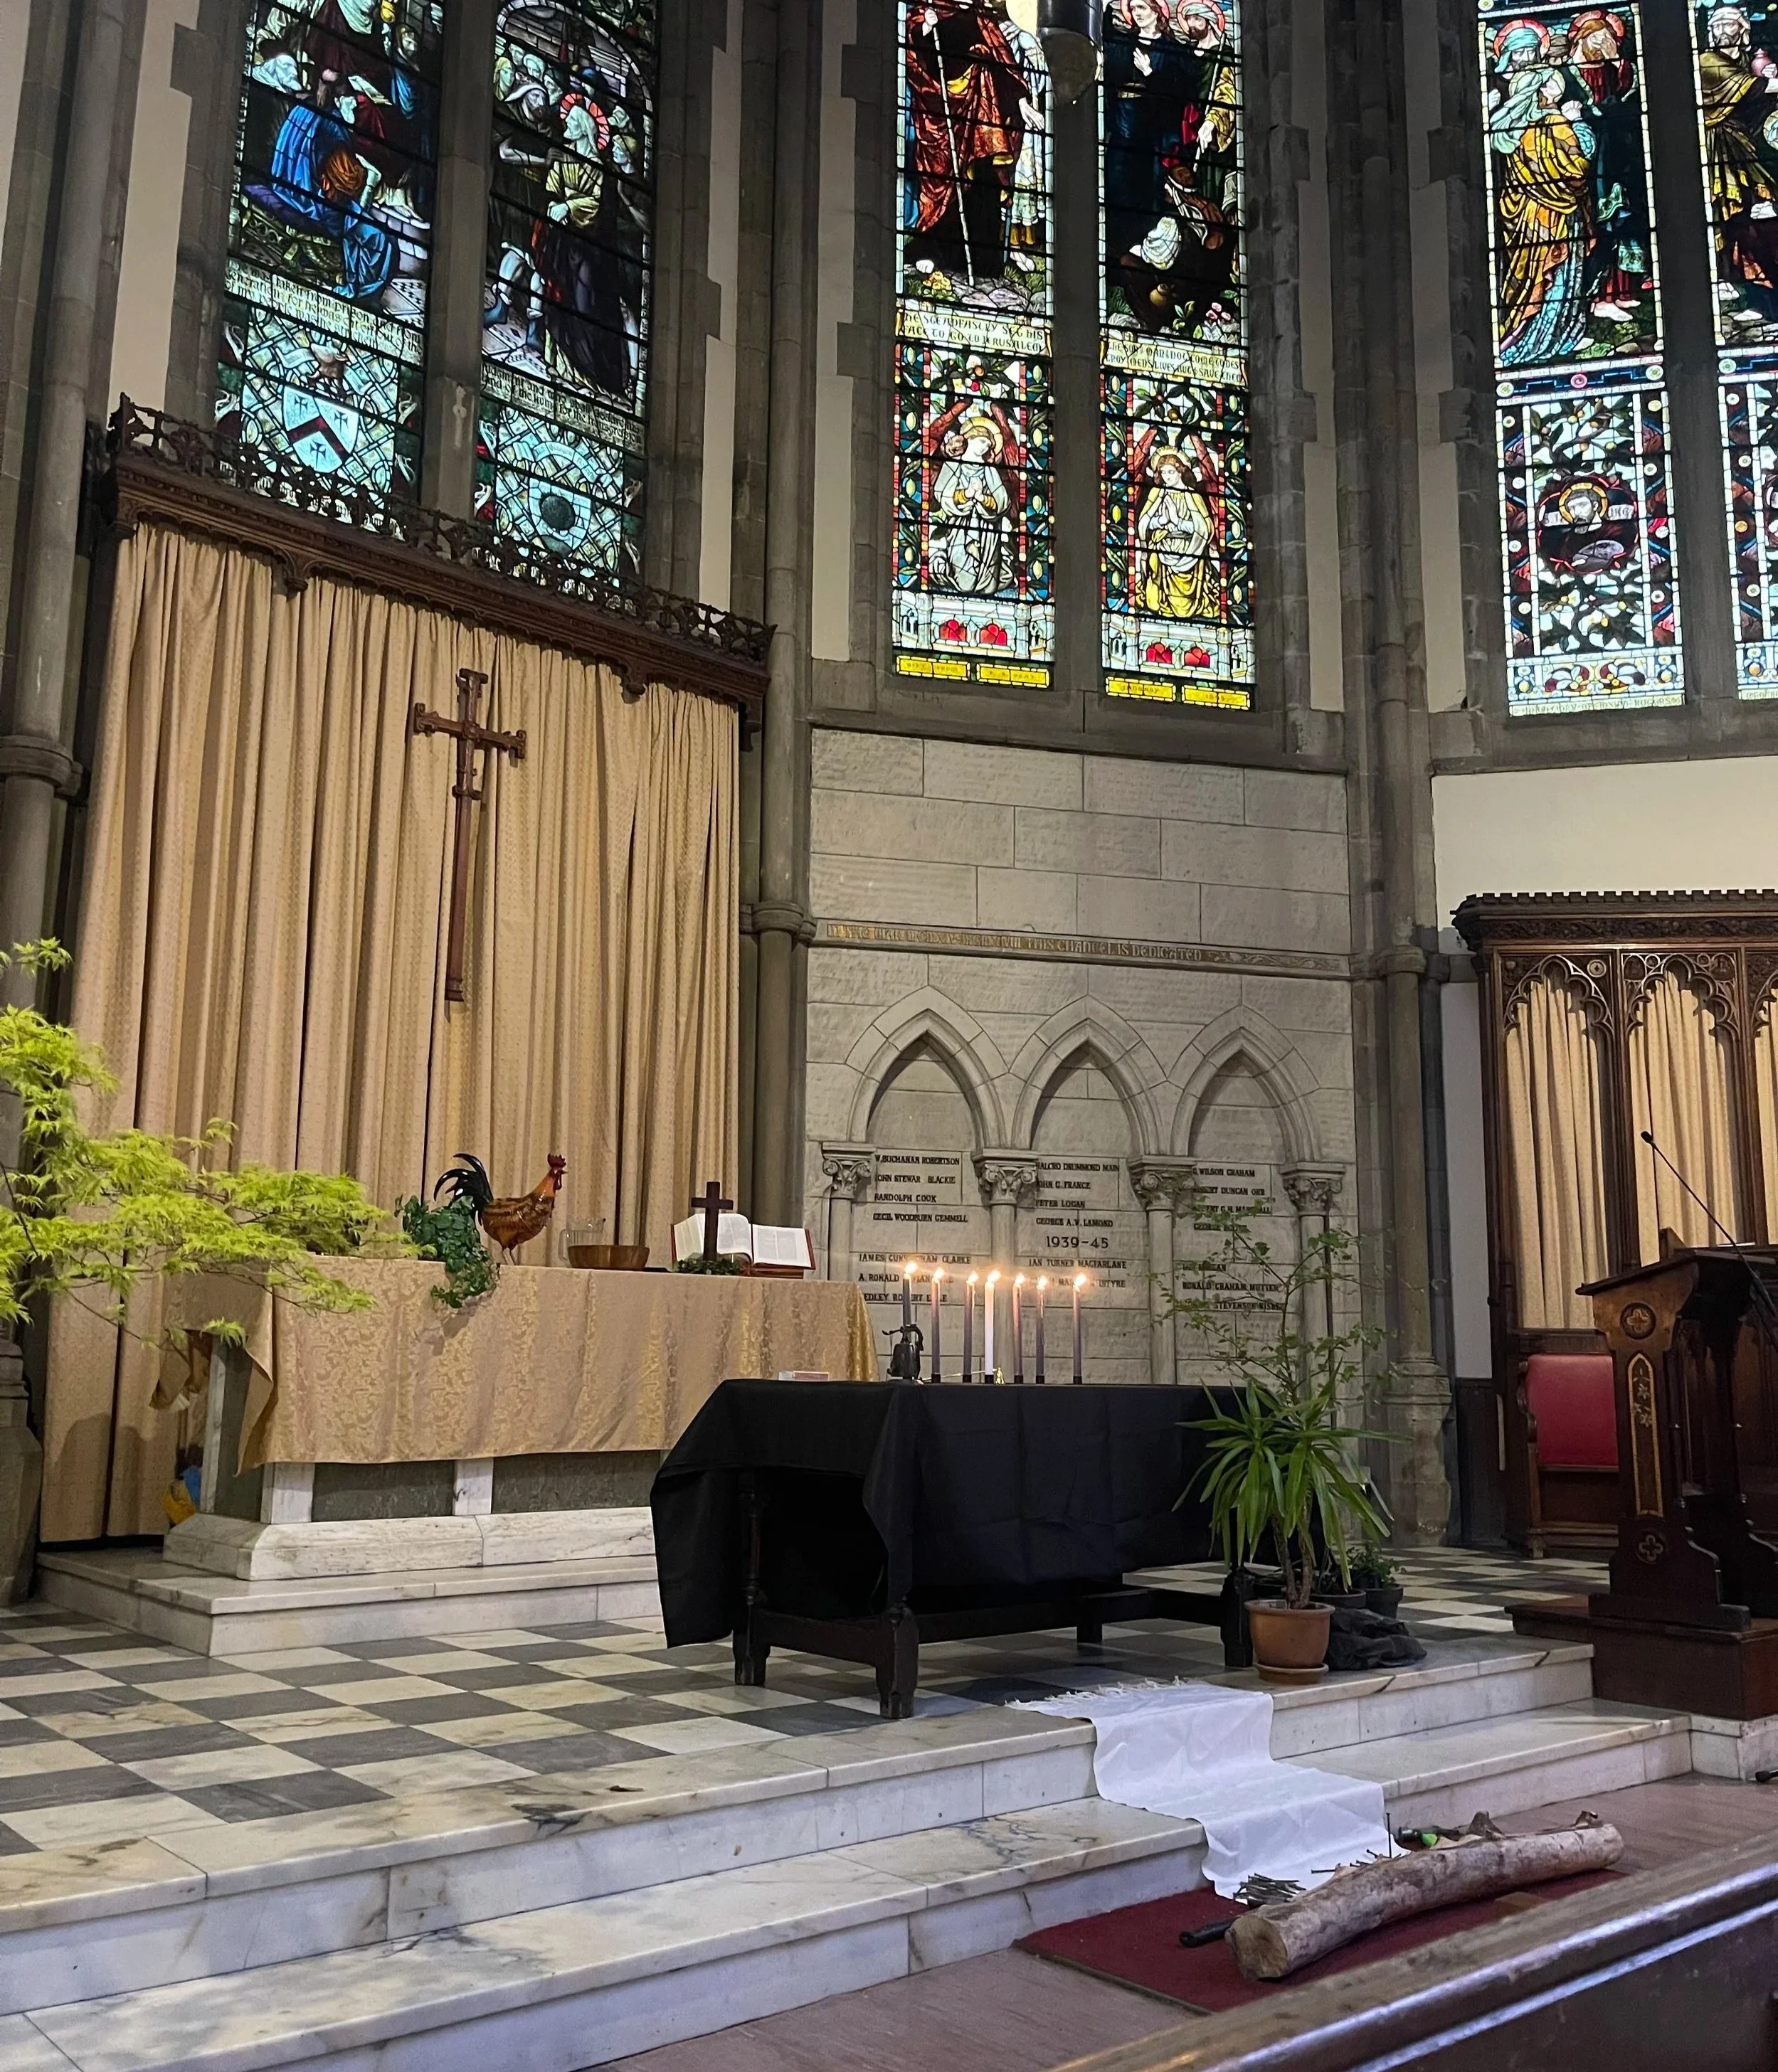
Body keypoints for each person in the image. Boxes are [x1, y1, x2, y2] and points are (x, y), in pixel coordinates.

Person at [904, 0, 1030, 288]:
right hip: (939, 111)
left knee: (982, 186)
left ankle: (983, 261)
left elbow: (1005, 64)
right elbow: (912, 55)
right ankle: (932, 249)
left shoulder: (982, 18)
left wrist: (1021, 100)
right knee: (942, 180)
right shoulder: (927, 10)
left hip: (982, 123)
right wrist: (926, 26)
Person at [1488, 37, 1597, 366]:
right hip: (1551, 214)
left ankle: (1534, 332)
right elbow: (1579, 163)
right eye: (1552, 87)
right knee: (1554, 275)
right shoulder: (1550, 122)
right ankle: (1550, 333)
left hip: (1531, 213)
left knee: (1535, 275)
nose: (1556, 92)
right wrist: (1577, 121)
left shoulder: (1511, 127)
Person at [1698, 4, 1778, 324]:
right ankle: (1754, 297)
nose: (1722, 30)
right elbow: (1749, 91)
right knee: (1735, 219)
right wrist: (1768, 82)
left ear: (1742, 29)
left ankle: (1764, 300)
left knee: (1755, 219)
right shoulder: (1707, 62)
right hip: (1720, 149)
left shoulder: (1747, 62)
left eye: (1729, 24)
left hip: (1747, 145)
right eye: (1717, 26)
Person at [927, 410, 1015, 596]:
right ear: (971, 438)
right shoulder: (953, 465)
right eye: (983, 442)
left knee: (990, 586)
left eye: (989, 445)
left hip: (988, 532)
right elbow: (942, 494)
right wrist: (966, 495)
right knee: (965, 584)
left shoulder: (990, 471)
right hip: (959, 528)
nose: (985, 447)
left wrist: (982, 498)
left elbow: (1002, 501)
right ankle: (940, 564)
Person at [1136, 439, 1219, 620]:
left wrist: (1179, 522)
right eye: (1163, 472)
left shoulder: (1192, 496)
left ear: (1181, 471)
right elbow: (1144, 523)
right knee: (1153, 602)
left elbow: (1203, 528)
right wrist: (1161, 521)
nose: (1166, 476)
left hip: (1190, 552)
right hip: (1163, 549)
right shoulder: (1156, 494)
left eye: (1171, 472)